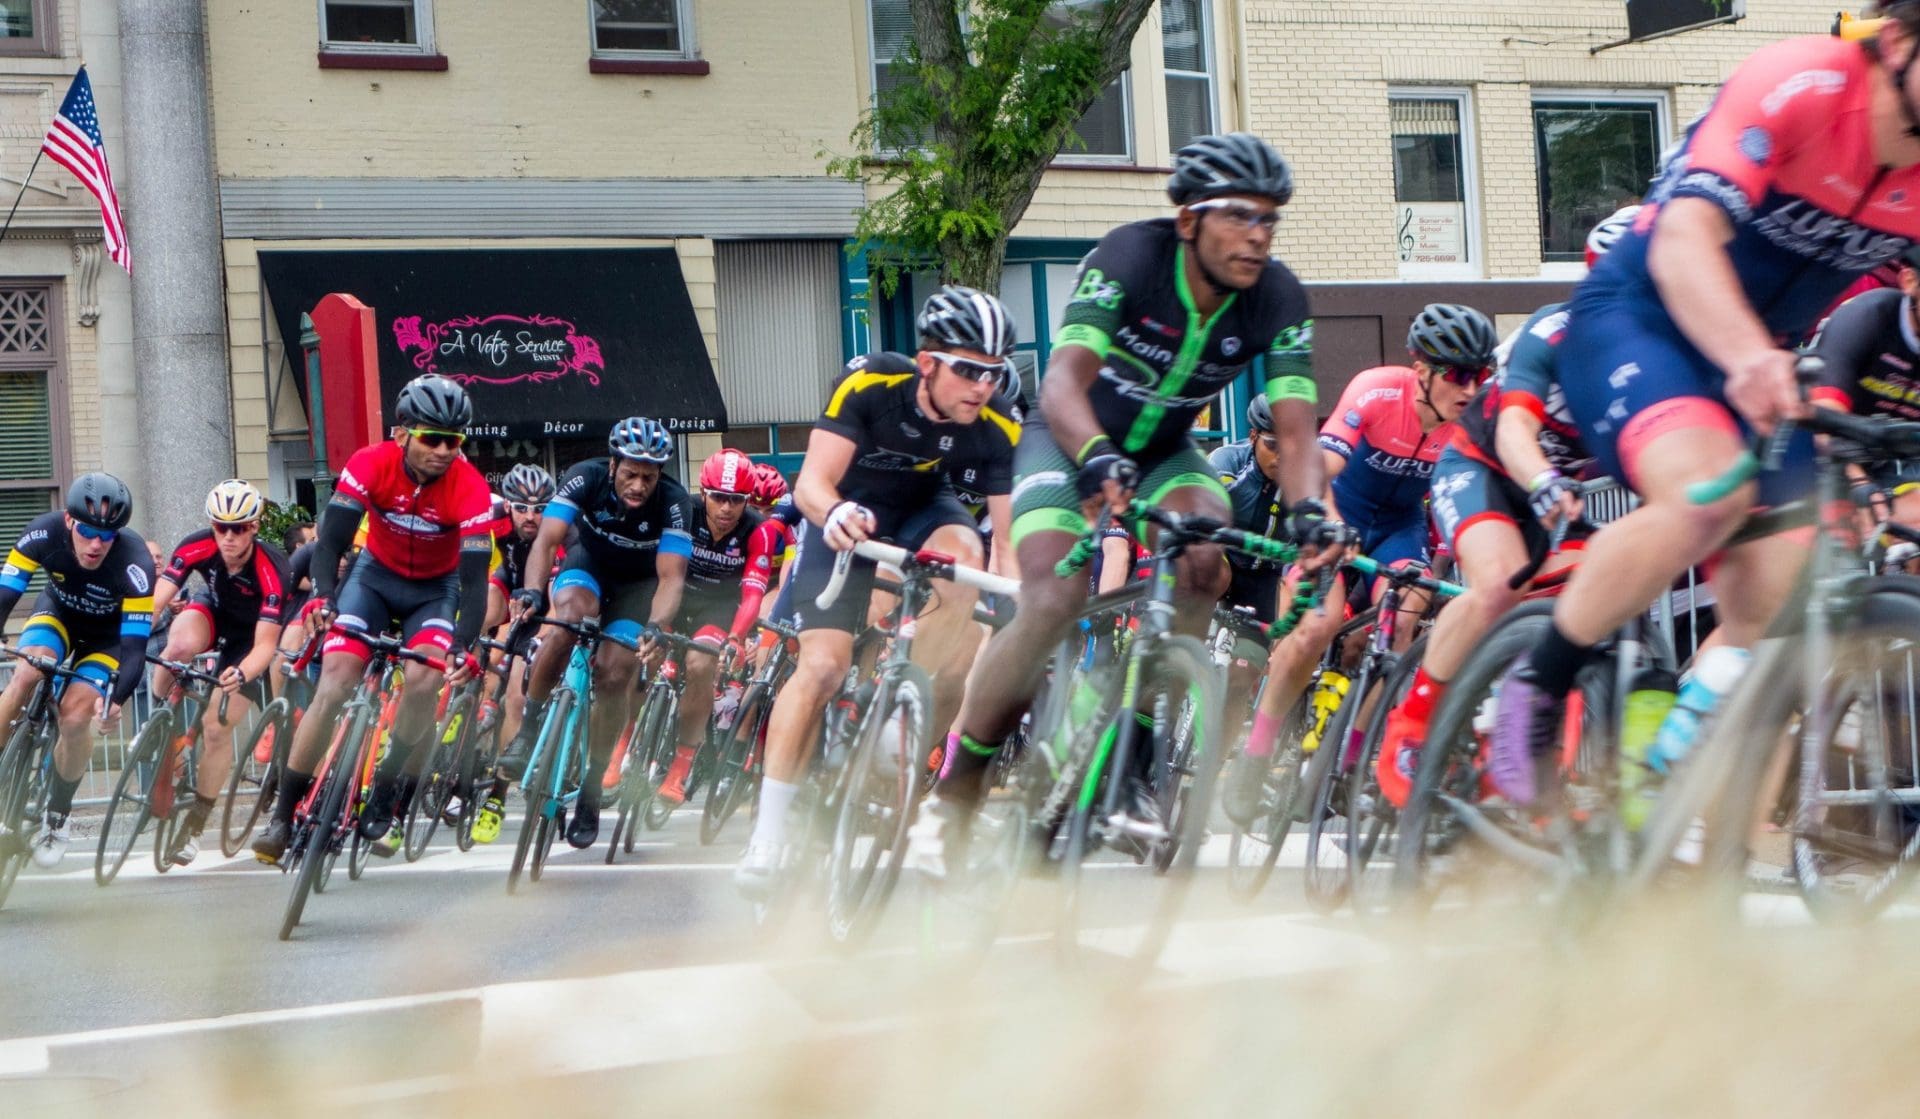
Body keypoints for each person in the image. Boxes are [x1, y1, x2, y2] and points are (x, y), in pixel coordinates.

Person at [1492, 8, 1920, 807]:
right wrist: (1749, 359)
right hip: (1642, 315)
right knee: (1705, 493)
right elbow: (1686, 237)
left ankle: (1660, 775)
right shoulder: (1804, 82)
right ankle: (1534, 688)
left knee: (1783, 578)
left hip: (1760, 351)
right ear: (1896, 44)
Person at [912, 132, 1338, 875]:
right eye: (1239, 214)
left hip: (1167, 451)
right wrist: (1099, 457)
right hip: (1070, 438)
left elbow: (1298, 434)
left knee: (1208, 559)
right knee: (1052, 599)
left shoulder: (1279, 296)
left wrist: (1311, 512)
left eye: (1271, 218)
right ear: (1188, 222)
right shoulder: (1129, 259)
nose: (1257, 234)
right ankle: (959, 785)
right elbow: (1061, 383)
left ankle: (1133, 758)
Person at [733, 285, 1023, 897]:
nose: (981, 387)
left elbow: (1007, 546)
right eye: (968, 370)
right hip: (846, 509)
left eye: (993, 374)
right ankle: (768, 833)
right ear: (927, 363)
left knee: (966, 558)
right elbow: (812, 480)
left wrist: (1018, 597)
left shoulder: (998, 424)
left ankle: (901, 702)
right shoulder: (870, 386)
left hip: (921, 508)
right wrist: (832, 513)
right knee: (821, 668)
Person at [1371, 212, 1639, 807]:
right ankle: (1410, 726)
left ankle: (1516, 738)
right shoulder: (1554, 331)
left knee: (1587, 605)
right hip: (1486, 466)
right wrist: (1541, 478)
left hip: (1561, 491)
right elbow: (1516, 426)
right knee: (1499, 586)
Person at [1219, 303, 1495, 824]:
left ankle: (1350, 765)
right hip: (1341, 510)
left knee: (1405, 621)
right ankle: (1255, 757)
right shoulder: (1376, 389)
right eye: (1458, 375)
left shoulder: (1472, 423)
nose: (1470, 388)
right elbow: (1322, 467)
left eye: (1480, 375)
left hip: (1398, 526)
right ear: (1422, 371)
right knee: (1319, 624)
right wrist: (1325, 521)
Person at [252, 374, 493, 863]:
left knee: (426, 680)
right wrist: (321, 597)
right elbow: (331, 545)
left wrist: (463, 646)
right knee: (335, 682)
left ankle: (386, 792)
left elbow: (473, 584)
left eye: (455, 441)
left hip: (435, 591)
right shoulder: (370, 463)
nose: (446, 451)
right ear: (402, 433)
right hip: (373, 581)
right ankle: (283, 812)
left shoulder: (469, 488)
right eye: (433, 439)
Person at [477, 417, 690, 849]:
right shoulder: (584, 477)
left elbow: (671, 578)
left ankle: (592, 786)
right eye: (631, 474)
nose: (639, 485)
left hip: (636, 589)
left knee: (615, 674)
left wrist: (655, 626)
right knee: (567, 619)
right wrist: (535, 591)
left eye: (649, 477)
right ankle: (530, 728)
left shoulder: (673, 501)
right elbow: (546, 539)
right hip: (586, 568)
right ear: (612, 466)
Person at [0, 473, 154, 867]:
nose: (97, 543)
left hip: (107, 641)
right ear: (69, 522)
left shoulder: (135, 563)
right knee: (26, 674)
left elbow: (135, 648)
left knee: (74, 717)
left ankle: (58, 813)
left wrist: (115, 701)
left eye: (108, 534)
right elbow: (5, 594)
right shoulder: (41, 533)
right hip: (58, 616)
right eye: (87, 530)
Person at [148, 480, 291, 863]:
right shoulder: (197, 543)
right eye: (220, 527)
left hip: (252, 638)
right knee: (174, 648)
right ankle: (164, 727)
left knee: (216, 726)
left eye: (238, 528)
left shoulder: (272, 568)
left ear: (255, 527)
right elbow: (156, 603)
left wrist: (241, 675)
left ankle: (194, 826)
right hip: (213, 609)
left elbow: (265, 645)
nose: (228, 536)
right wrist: (129, 639)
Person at [645, 448, 770, 806]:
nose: (727, 508)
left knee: (700, 664)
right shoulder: (683, 512)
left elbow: (752, 593)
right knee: (647, 655)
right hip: (675, 593)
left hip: (717, 607)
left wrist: (736, 637)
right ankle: (623, 746)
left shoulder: (757, 529)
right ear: (703, 493)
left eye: (736, 500)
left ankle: (680, 767)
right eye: (718, 498)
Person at [1810, 243, 1920, 534]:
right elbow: (1822, 417)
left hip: (1895, 458)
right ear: (1909, 281)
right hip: (1824, 449)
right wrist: (1860, 484)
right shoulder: (1868, 318)